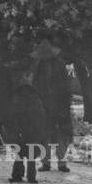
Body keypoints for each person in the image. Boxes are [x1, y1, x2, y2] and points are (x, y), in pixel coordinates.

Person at [32, 39, 73, 172]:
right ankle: (46, 163)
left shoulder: (59, 65)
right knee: (45, 134)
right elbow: (35, 86)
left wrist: (65, 103)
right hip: (44, 105)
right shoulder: (39, 66)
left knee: (62, 134)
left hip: (59, 103)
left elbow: (65, 86)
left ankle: (62, 163)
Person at [6, 65, 46, 184]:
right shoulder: (35, 96)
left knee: (20, 154)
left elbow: (13, 112)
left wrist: (14, 127)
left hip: (21, 128)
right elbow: (40, 114)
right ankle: (31, 176)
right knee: (31, 154)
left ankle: (17, 175)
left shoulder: (18, 95)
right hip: (32, 128)